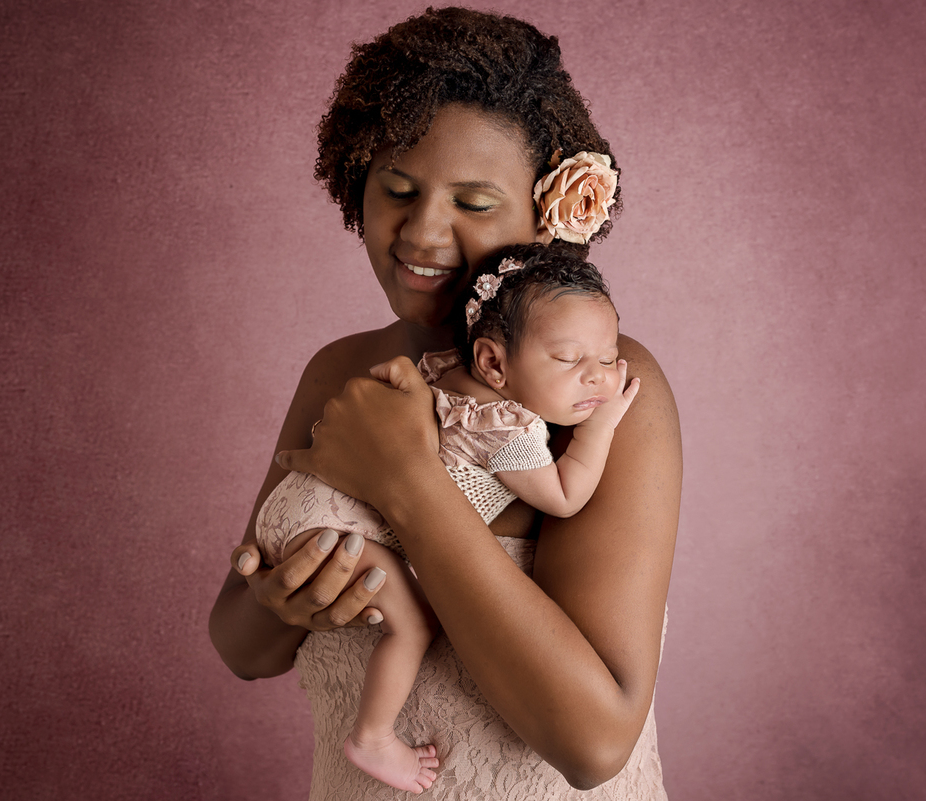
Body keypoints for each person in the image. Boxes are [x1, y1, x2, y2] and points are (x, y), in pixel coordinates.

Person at [209, 8, 681, 799]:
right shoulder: (338, 373)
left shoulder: (596, 389)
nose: (423, 231)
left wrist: (406, 478)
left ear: (546, 217)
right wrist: (279, 600)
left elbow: (593, 743)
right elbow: (241, 648)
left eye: (474, 203)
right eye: (397, 189)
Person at [255, 244, 640, 794]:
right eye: (568, 360)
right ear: (494, 363)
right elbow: (564, 496)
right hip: (333, 529)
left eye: (608, 360)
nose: (599, 380)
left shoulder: (449, 377)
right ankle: (372, 736)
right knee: (414, 625)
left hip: (303, 507)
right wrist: (600, 427)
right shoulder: (506, 427)